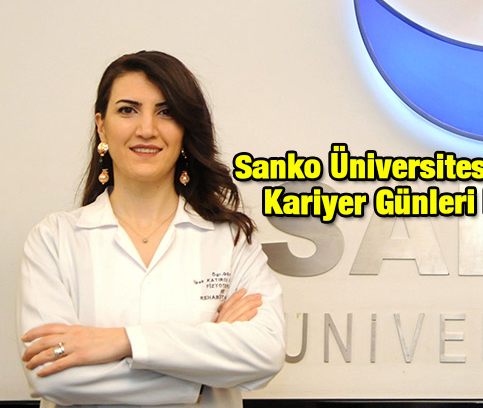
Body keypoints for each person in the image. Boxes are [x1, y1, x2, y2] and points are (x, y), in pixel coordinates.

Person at [16, 51, 285, 407]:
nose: (146, 129)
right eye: (128, 110)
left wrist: (122, 341)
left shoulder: (231, 240)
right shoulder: (55, 238)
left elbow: (265, 353)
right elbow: (50, 373)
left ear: (185, 129)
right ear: (101, 126)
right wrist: (202, 377)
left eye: (166, 112)